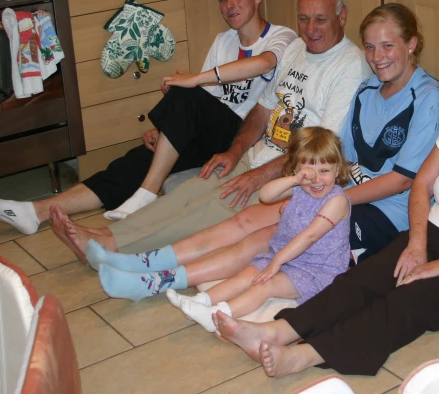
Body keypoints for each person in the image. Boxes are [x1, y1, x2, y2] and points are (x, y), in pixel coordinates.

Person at [214, 34, 439, 378]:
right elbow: (422, 183)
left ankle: (303, 356)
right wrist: (417, 244)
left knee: (410, 299)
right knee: (363, 279)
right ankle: (278, 331)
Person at [56, 3, 439, 304]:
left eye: (388, 45)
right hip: (335, 193)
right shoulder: (368, 91)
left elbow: (403, 180)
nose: (378, 55)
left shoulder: (430, 98)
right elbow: (338, 154)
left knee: (265, 237)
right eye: (371, 46)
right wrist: (308, 183)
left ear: (412, 44)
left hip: (387, 211)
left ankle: (155, 280)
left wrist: (331, 198)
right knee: (246, 217)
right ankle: (141, 263)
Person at [50, 0, 372, 258]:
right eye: (304, 19)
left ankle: (114, 245)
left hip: (294, 176)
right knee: (190, 192)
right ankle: (107, 235)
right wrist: (236, 151)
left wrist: (261, 175)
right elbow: (262, 110)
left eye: (320, 19)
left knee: (210, 209)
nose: (311, 29)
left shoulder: (349, 66)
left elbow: (323, 152)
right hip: (257, 157)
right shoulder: (295, 49)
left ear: (342, 16)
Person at [0, 0, 297, 239]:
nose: (229, 5)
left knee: (184, 91)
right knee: (136, 160)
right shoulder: (222, 41)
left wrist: (193, 79)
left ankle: (145, 194)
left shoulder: (282, 36)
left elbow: (264, 63)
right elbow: (209, 98)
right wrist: (170, 131)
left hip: (244, 133)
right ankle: (37, 211)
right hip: (211, 127)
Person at [93, 128, 351, 329]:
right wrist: (295, 179)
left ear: (338, 169)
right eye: (309, 171)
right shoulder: (301, 187)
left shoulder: (337, 201)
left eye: (325, 171)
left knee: (265, 286)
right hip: (285, 256)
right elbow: (266, 195)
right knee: (245, 274)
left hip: (315, 269)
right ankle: (199, 301)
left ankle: (218, 314)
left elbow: (309, 236)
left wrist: (275, 263)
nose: (316, 179)